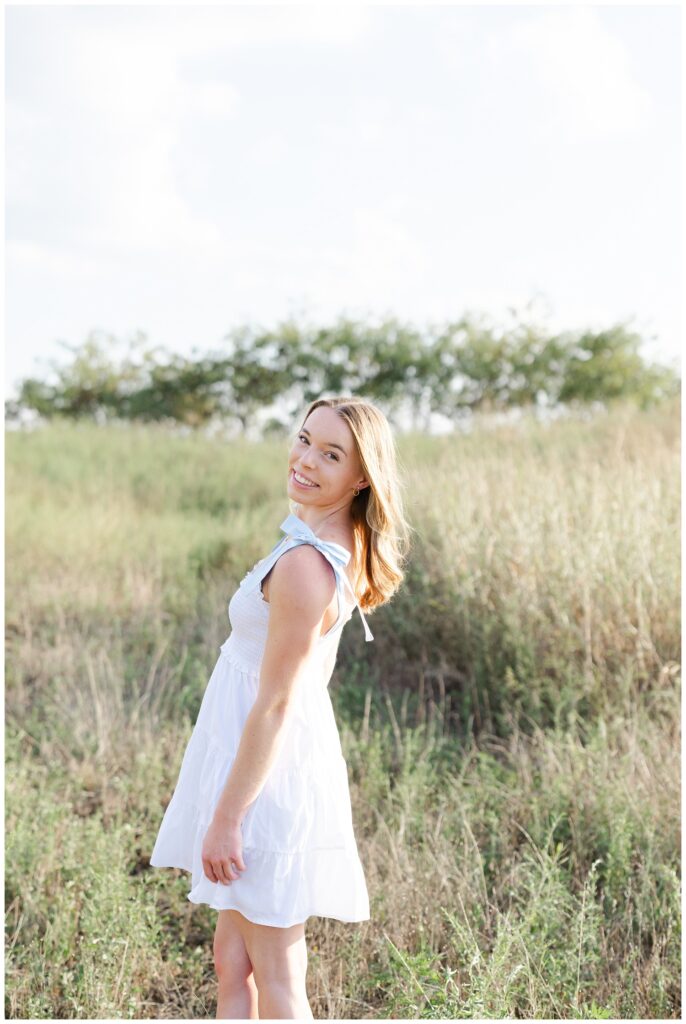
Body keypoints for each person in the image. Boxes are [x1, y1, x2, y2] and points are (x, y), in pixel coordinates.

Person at [150, 396, 411, 1019]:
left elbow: (275, 703)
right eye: (303, 440)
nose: (305, 460)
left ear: (361, 477)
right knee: (231, 961)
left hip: (265, 781)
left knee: (276, 977)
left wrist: (228, 817)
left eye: (331, 454)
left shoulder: (305, 566)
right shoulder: (316, 542)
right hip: (254, 759)